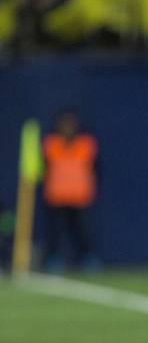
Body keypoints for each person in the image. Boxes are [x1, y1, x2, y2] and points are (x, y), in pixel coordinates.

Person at [42, 110, 99, 271]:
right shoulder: (51, 144)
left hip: (80, 196)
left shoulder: (86, 144)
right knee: (56, 232)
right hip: (57, 196)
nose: (68, 128)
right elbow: (44, 168)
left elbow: (95, 169)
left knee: (82, 231)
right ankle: (54, 260)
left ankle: (88, 260)